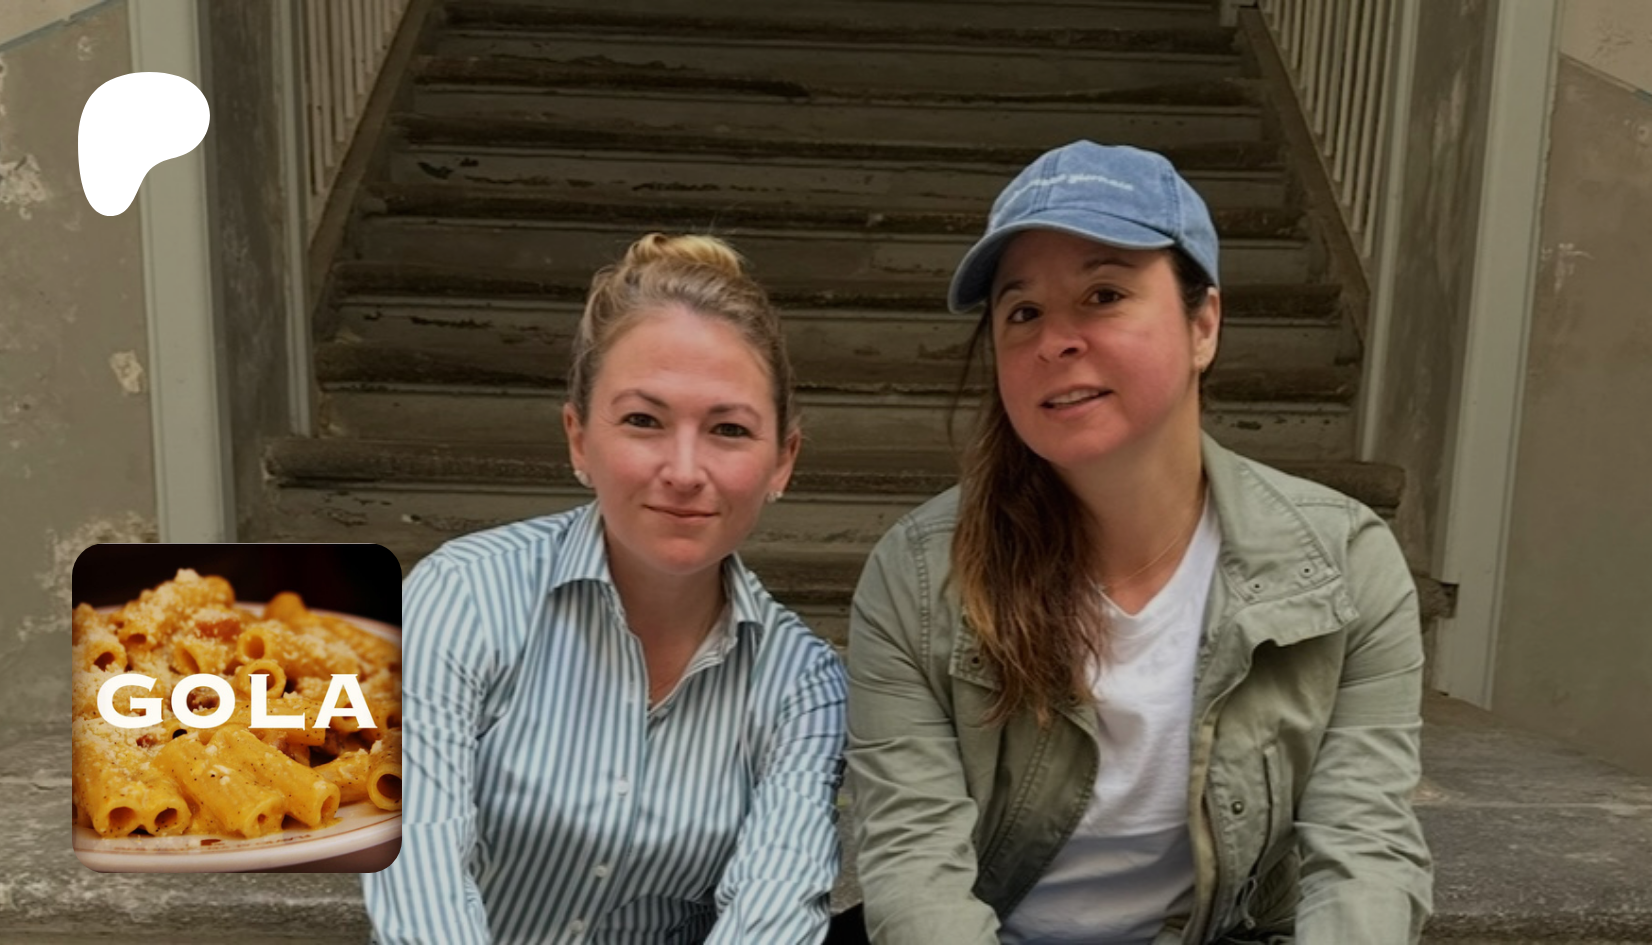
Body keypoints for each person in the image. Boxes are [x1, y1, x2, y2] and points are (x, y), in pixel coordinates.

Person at [844, 141, 1432, 944]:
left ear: (1204, 324)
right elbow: (916, 872)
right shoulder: (917, 577)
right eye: (1023, 312)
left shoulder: (1344, 564)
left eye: (1104, 294)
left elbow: (1364, 854)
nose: (1055, 339)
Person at [364, 234, 849, 944]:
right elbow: (418, 863)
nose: (684, 470)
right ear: (578, 437)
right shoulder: (463, 598)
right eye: (643, 421)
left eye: (729, 428)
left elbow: (771, 915)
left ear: (783, 460)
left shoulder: (803, 685)